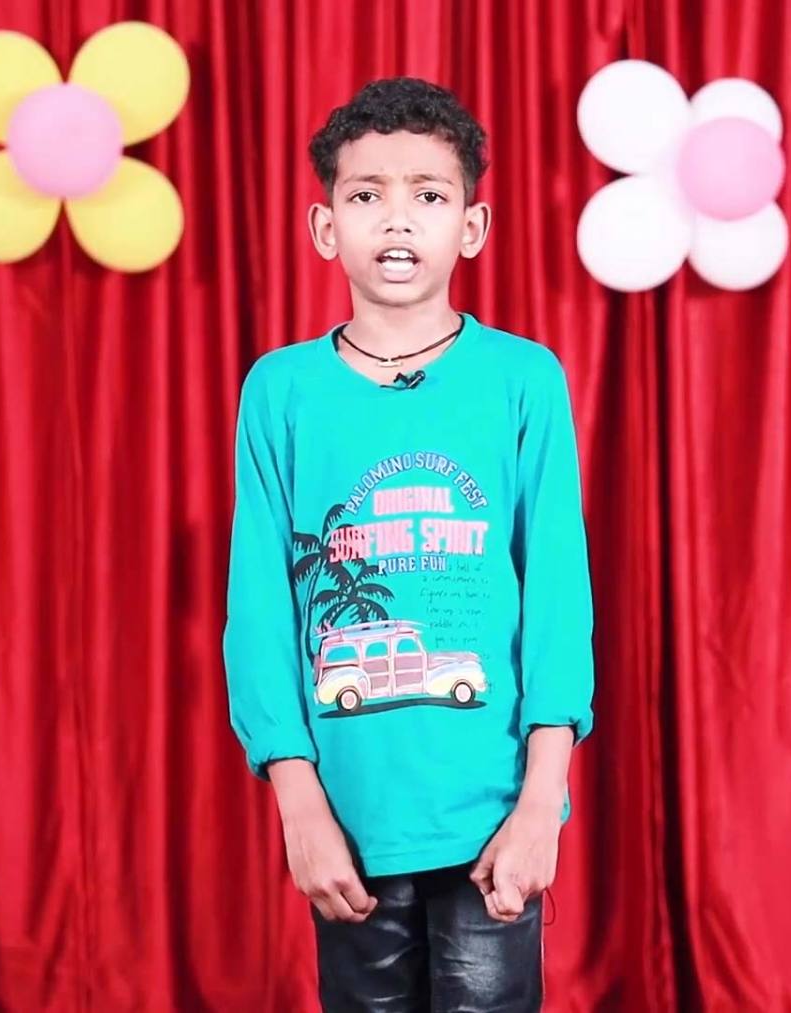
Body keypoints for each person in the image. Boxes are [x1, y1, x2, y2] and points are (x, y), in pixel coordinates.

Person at [222, 76, 595, 1011]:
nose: (397, 218)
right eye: (366, 194)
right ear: (325, 227)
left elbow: (557, 594)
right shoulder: (280, 390)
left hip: (491, 819)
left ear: (471, 226)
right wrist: (299, 804)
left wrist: (542, 803)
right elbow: (260, 606)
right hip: (350, 823)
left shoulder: (524, 379)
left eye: (428, 194)